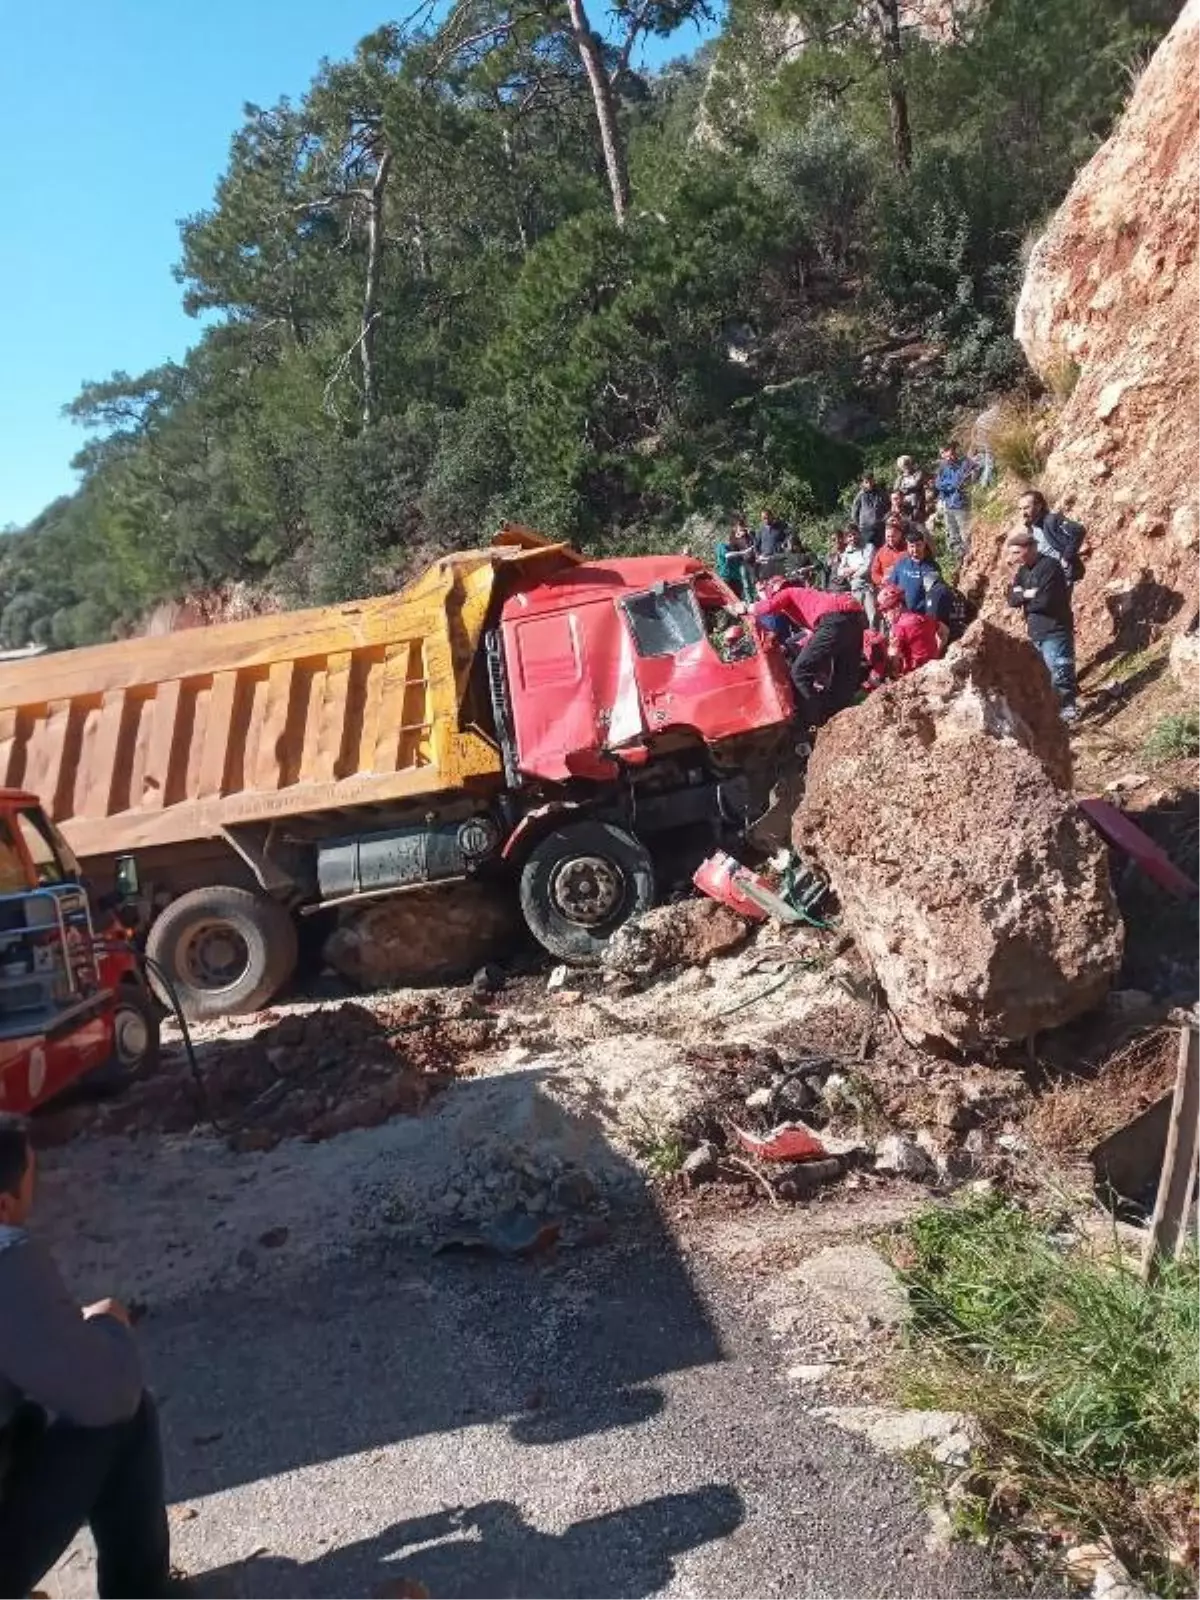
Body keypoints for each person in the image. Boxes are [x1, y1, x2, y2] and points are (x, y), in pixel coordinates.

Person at [0, 1114, 173, 1600]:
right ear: (3, 1202)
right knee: (127, 1412)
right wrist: (106, 1323)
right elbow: (104, 1394)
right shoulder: (7, 1262)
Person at [750, 586, 865, 729]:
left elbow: (769, 606)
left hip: (833, 620)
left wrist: (744, 608)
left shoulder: (788, 592)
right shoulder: (810, 599)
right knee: (844, 674)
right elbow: (811, 636)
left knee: (799, 672)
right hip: (855, 619)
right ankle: (840, 714)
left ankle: (817, 719)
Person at [1006, 528, 1078, 721]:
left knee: (1060, 672)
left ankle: (1068, 712)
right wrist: (1029, 594)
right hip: (1035, 631)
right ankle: (1054, 718)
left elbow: (1046, 600)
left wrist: (1025, 596)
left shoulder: (1050, 567)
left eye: (1016, 552)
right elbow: (1012, 599)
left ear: (1030, 548)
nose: (1012, 558)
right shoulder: (1022, 572)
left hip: (1055, 628)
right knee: (1043, 677)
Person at [1019, 489, 1088, 587]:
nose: (1023, 513)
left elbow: (1078, 531)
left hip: (1062, 578)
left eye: (1026, 508)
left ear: (1039, 506)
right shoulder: (1033, 527)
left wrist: (1066, 558)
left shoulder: (1051, 520)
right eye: (1020, 509)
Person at [875, 582, 946, 676]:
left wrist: (891, 657)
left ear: (898, 606)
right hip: (933, 671)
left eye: (886, 610)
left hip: (913, 675)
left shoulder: (899, 627)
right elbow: (945, 632)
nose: (884, 615)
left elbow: (894, 663)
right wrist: (937, 652)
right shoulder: (926, 619)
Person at [891, 529, 954, 629]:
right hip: (902, 617)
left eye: (918, 545)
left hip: (921, 618)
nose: (915, 549)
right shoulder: (901, 564)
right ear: (907, 546)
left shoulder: (931, 567)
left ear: (924, 545)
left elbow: (936, 594)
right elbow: (892, 586)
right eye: (912, 546)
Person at [934, 443, 977, 564]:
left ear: (955, 452)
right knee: (952, 535)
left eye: (951, 454)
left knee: (965, 534)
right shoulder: (943, 467)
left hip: (962, 505)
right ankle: (959, 558)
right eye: (946, 456)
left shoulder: (965, 463)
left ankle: (970, 558)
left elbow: (961, 481)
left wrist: (948, 485)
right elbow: (938, 484)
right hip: (948, 504)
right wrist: (950, 486)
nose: (949, 458)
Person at [833, 527, 876, 624]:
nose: (852, 538)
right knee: (858, 620)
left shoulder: (869, 547)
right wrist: (854, 568)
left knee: (873, 618)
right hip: (855, 590)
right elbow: (840, 571)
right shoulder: (847, 552)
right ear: (846, 539)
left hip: (868, 587)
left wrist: (852, 573)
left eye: (854, 534)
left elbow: (867, 567)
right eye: (849, 536)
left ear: (859, 534)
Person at [716, 516, 756, 603]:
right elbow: (728, 555)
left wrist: (748, 534)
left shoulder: (734, 545)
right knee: (731, 598)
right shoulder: (722, 546)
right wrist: (743, 552)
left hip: (736, 577)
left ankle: (751, 601)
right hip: (726, 576)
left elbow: (748, 542)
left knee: (739, 596)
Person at [849, 473, 888, 550]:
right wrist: (859, 524)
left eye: (871, 481)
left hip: (879, 527)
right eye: (866, 482)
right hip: (865, 528)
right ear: (863, 483)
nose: (869, 484)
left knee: (880, 548)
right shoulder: (860, 495)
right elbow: (854, 512)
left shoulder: (881, 493)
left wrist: (884, 520)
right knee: (867, 549)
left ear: (874, 480)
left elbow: (887, 506)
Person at [754, 508, 793, 583]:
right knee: (767, 581)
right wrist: (758, 555)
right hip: (765, 559)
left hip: (778, 558)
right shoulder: (761, 530)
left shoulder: (780, 527)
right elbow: (756, 545)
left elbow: (790, 535)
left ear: (771, 516)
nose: (765, 520)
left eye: (767, 517)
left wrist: (784, 543)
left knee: (780, 580)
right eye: (763, 518)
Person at [870, 517, 907, 588]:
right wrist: (881, 580)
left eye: (893, 536)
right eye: (888, 537)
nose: (890, 539)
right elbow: (874, 572)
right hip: (886, 588)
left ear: (900, 534)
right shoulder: (881, 551)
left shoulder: (907, 550)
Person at [893, 456, 927, 522]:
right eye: (903, 466)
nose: (905, 467)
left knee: (918, 525)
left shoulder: (918, 473)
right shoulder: (900, 477)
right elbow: (895, 488)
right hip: (904, 506)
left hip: (917, 505)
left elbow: (916, 484)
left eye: (906, 464)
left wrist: (904, 488)